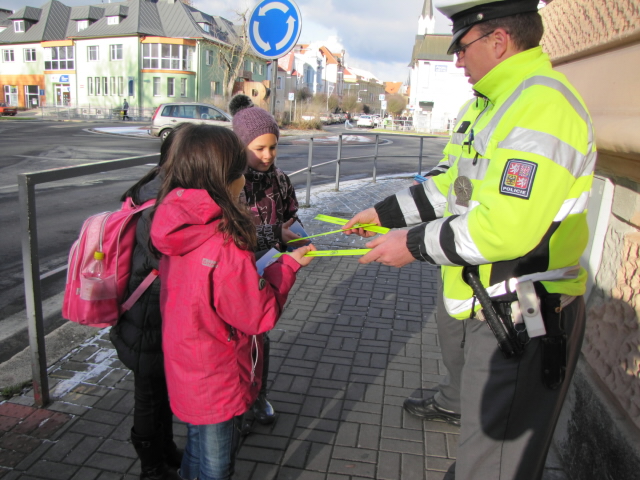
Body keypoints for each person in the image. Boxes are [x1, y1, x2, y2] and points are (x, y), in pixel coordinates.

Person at [344, 1, 596, 478]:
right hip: (492, 308)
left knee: (493, 465)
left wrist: (412, 245)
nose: (456, 60)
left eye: (462, 47)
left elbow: (504, 227)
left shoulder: (541, 109)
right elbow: (451, 188)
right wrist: (382, 214)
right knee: (486, 456)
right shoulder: (490, 106)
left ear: (499, 40)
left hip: (525, 318)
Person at [149, 124, 315, 480]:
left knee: (195, 442)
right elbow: (258, 315)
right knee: (216, 465)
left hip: (185, 362)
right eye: (241, 170)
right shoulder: (225, 241)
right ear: (227, 179)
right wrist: (288, 265)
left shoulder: (175, 222)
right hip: (217, 375)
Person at [110, 128, 184, 480]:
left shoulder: (155, 186)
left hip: (149, 309)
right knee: (149, 395)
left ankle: (165, 450)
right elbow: (166, 256)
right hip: (147, 314)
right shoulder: (161, 202)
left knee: (161, 389)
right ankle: (151, 468)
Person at [229, 94, 306, 425]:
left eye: (272, 147)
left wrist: (301, 237)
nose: (267, 155)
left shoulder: (281, 180)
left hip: (269, 272)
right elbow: (231, 239)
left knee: (261, 338)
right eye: (259, 148)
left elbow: (292, 219)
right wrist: (275, 235)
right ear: (240, 147)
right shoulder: (230, 184)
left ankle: (257, 397)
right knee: (238, 343)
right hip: (236, 275)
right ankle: (236, 404)